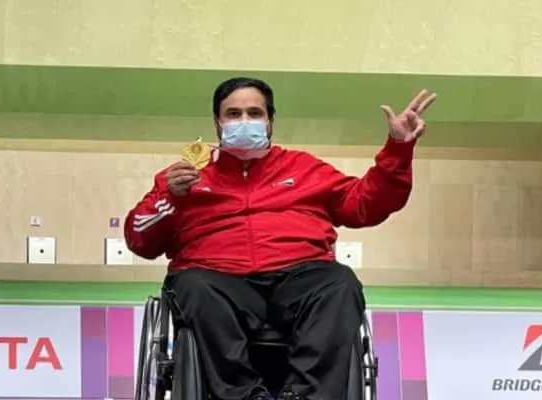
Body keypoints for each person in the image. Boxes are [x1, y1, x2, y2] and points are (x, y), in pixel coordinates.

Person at [124, 77, 437, 400]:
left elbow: (364, 205)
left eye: (254, 113)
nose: (244, 121)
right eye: (233, 114)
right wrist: (170, 198)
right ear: (217, 122)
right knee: (194, 285)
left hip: (299, 276)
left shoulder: (304, 168)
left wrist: (397, 150)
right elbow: (139, 240)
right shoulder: (183, 177)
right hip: (216, 279)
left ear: (270, 120)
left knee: (340, 283)